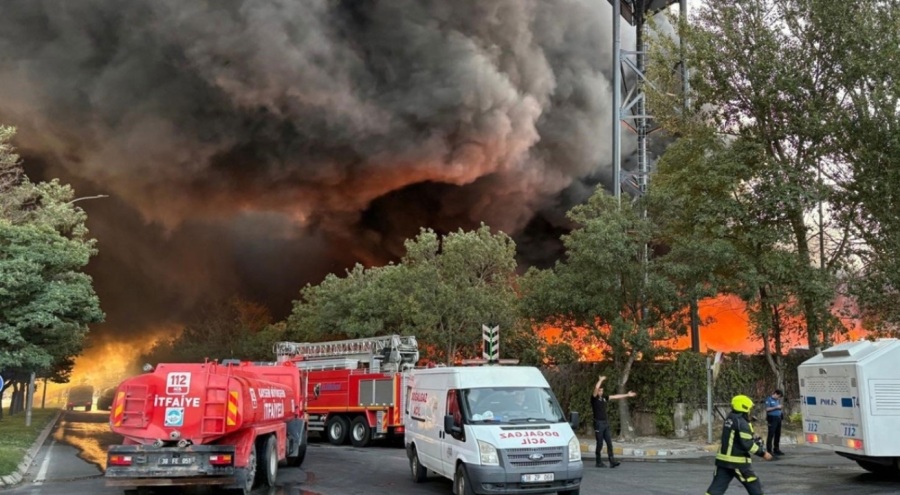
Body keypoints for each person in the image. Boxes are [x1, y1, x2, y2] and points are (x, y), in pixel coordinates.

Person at [705, 394, 773, 495]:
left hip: (723, 461)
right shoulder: (742, 422)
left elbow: (738, 438)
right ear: (744, 407)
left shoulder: (730, 418)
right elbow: (747, 444)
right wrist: (763, 453)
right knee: (753, 484)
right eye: (749, 408)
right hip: (737, 461)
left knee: (716, 488)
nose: (750, 411)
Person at [590, 375, 636, 468]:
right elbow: (596, 388)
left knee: (609, 443)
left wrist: (627, 394)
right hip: (598, 424)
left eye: (602, 391)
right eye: (600, 390)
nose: (601, 392)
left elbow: (615, 396)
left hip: (605, 423)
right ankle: (598, 461)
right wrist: (601, 380)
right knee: (599, 443)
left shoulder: (604, 398)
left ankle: (612, 461)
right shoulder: (594, 399)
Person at [765, 389, 785, 456]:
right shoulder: (769, 399)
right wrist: (776, 407)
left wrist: (780, 411)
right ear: (775, 394)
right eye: (778, 396)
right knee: (771, 434)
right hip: (772, 419)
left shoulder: (777, 400)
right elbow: (767, 409)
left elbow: (779, 408)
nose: (779, 398)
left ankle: (776, 448)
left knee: (778, 434)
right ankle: (769, 450)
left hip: (778, 418)